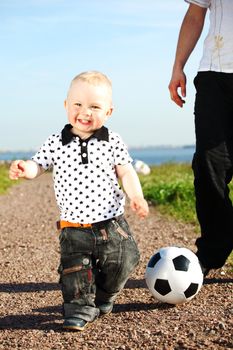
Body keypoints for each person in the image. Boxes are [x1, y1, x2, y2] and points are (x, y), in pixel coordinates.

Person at [9, 71, 149, 331]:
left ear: (109, 111)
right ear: (66, 106)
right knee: (75, 272)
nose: (85, 112)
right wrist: (25, 169)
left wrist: (136, 196)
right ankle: (79, 309)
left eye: (95, 106)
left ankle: (105, 295)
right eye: (78, 104)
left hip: (111, 223)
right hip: (73, 226)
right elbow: (38, 164)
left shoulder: (113, 141)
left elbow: (126, 171)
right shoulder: (56, 142)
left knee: (125, 259)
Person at [168, 0, 233, 277]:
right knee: (209, 165)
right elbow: (195, 14)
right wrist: (178, 66)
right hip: (214, 75)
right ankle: (211, 252)